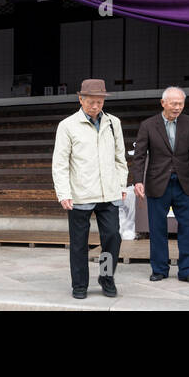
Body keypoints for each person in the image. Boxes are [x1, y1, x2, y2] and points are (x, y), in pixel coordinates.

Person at [51, 78, 127, 300]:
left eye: (100, 102)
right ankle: (80, 284)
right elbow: (60, 163)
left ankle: (106, 278)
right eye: (92, 102)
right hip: (80, 194)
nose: (96, 106)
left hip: (109, 193)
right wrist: (63, 193)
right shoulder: (67, 125)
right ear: (80, 99)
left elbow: (120, 159)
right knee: (78, 244)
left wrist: (121, 185)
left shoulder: (114, 123)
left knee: (112, 237)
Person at [133, 87, 189, 283]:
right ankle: (159, 269)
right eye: (174, 103)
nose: (177, 108)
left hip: (184, 182)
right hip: (157, 182)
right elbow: (139, 156)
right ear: (163, 103)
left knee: (188, 227)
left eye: (181, 104)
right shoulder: (148, 125)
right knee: (157, 227)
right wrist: (138, 180)